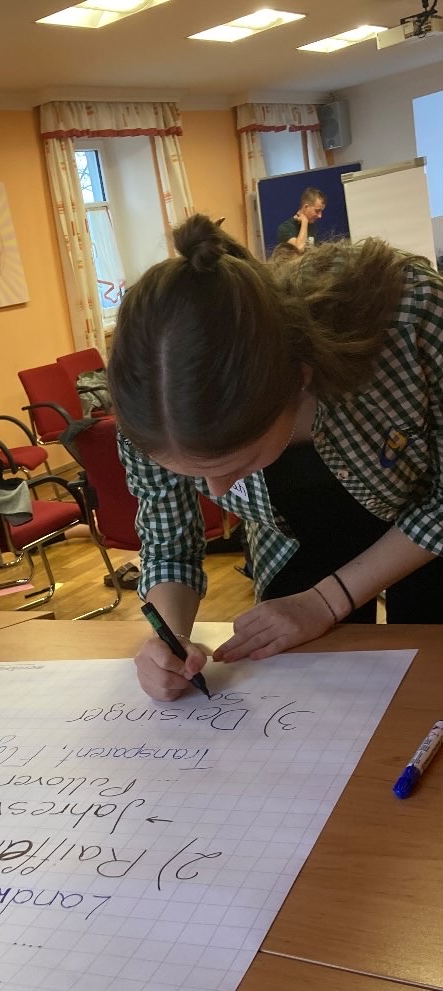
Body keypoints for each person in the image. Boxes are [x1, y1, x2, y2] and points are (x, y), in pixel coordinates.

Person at [108, 214, 443, 702]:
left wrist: (327, 600)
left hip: (428, 539)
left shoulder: (409, 317)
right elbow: (169, 544)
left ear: (299, 380)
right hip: (296, 552)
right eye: (196, 475)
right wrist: (170, 638)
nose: (218, 492)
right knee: (319, 706)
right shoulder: (149, 406)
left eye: (235, 466)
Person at [275, 187, 326, 254]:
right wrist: (304, 222)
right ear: (306, 207)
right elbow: (299, 248)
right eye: (317, 211)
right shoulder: (285, 228)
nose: (320, 216)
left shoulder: (312, 225)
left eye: (321, 211)